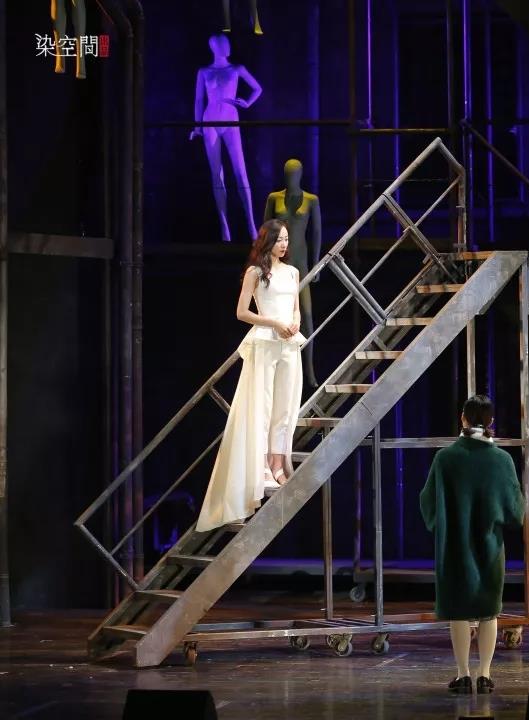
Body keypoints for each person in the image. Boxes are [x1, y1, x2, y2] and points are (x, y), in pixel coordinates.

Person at [196, 219, 303, 532]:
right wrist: (275, 323)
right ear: (267, 241)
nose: (284, 245)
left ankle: (278, 463)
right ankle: (262, 469)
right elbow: (242, 312)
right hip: (266, 341)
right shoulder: (256, 272)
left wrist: (294, 322)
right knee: (263, 406)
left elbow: (295, 307)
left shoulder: (293, 272)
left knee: (286, 406)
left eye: (286, 240)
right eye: (279, 240)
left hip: (289, 343)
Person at [419, 395, 524, 695]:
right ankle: (485, 674)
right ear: (491, 421)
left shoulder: (445, 458)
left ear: (462, 419)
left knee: (458, 611)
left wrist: (442, 524)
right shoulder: (501, 460)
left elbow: (428, 502)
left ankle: (463, 673)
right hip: (490, 545)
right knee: (489, 611)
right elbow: (516, 511)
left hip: (454, 546)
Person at [190, 34, 262, 243]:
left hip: (230, 120)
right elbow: (199, 99)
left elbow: (258, 88)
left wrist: (248, 102)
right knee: (217, 173)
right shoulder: (204, 71)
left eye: (228, 43)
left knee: (240, 171)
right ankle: (224, 226)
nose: (227, 46)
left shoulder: (236, 69)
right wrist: (197, 126)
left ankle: (251, 224)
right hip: (210, 121)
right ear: (214, 47)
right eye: (223, 43)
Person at [265, 158, 322, 388]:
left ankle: (309, 370)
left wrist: (316, 264)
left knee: (306, 317)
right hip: (278, 265)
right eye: (288, 174)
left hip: (300, 265)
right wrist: (264, 264)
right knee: (276, 318)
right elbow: (266, 232)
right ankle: (279, 371)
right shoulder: (274, 198)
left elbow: (316, 233)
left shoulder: (311, 200)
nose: (291, 178)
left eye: (295, 174)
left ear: (301, 175)